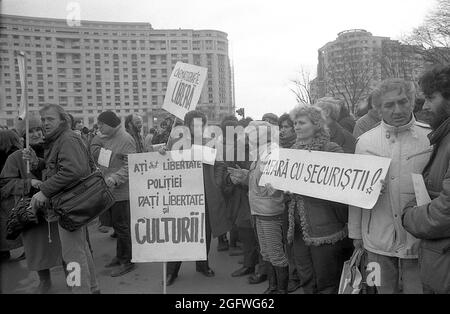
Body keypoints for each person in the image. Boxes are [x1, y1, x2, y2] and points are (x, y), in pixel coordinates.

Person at [349, 78, 431, 294]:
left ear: (412, 102)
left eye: (403, 102)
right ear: (378, 109)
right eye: (389, 105)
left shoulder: (431, 137)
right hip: (375, 241)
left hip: (419, 240)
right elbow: (354, 193)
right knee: (380, 289)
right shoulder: (364, 142)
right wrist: (356, 233)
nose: (398, 109)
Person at [26, 104, 99, 294]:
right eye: (43, 120)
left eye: (50, 119)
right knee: (80, 249)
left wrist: (44, 191)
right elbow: (61, 166)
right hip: (71, 205)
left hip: (69, 205)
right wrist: (37, 162)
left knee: (73, 256)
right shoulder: (61, 139)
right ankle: (92, 288)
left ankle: (80, 290)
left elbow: (73, 170)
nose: (45, 123)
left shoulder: (66, 139)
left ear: (62, 120)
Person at [164, 110, 232, 286]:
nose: (197, 127)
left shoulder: (209, 142)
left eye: (200, 124)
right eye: (193, 124)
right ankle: (172, 271)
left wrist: (215, 183)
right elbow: (163, 163)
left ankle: (202, 265)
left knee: (204, 233)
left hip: (205, 195)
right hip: (182, 196)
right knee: (179, 233)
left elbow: (220, 164)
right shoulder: (176, 141)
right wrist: (163, 153)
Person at [286, 106, 348, 294]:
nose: (296, 127)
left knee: (326, 280)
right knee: (306, 278)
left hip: (324, 225)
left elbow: (345, 186)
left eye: (301, 122)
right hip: (297, 227)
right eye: (295, 123)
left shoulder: (331, 149)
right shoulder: (291, 151)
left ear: (316, 124)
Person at [0, 113, 62, 293]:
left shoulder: (56, 150)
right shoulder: (15, 157)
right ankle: (45, 281)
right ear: (24, 135)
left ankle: (73, 278)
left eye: (38, 129)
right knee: (36, 251)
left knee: (66, 249)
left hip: (58, 209)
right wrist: (29, 183)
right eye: (31, 131)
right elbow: (4, 184)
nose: (35, 134)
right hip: (31, 213)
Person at [402, 65, 450, 294]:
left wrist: (408, 215)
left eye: (431, 98)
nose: (426, 106)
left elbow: (444, 212)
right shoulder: (443, 136)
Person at [91, 111, 137, 277]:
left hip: (121, 191)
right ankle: (120, 256)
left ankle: (128, 261)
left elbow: (129, 165)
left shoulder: (126, 139)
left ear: (111, 123)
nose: (99, 127)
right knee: (118, 226)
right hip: (109, 190)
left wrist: (115, 179)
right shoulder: (106, 138)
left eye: (102, 124)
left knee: (123, 227)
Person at [0, 130, 24, 261]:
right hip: (15, 191)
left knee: (11, 222)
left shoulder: (9, 155)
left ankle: (5, 251)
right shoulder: (18, 152)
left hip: (10, 192)